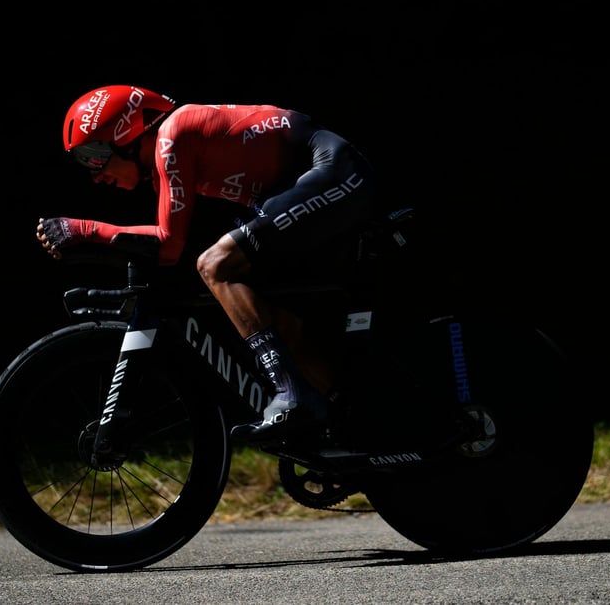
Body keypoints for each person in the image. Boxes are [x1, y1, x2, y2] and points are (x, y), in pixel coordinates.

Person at [36, 84, 375, 443]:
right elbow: (165, 250)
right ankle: (349, 417)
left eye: (94, 155)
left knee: (216, 265)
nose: (94, 174)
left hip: (333, 169)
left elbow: (168, 244)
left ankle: (292, 395)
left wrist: (85, 230)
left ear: (127, 134)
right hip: (305, 181)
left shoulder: (173, 135)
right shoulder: (168, 153)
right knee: (274, 318)